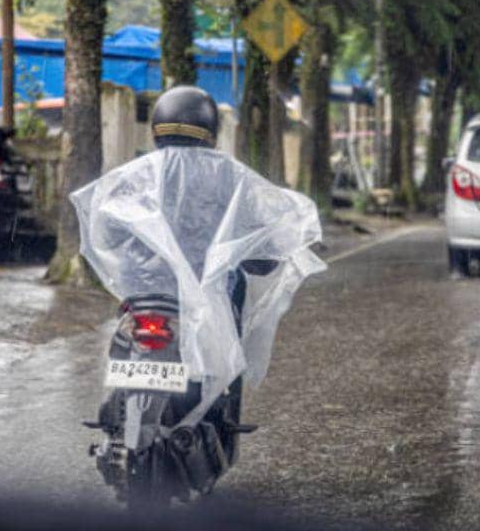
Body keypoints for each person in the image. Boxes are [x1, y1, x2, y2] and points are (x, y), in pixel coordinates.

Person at [70, 84, 325, 430]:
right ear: (209, 129)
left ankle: (117, 400)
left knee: (126, 325)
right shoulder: (232, 177)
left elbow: (106, 232)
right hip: (208, 296)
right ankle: (217, 411)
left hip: (145, 295)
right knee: (230, 321)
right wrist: (263, 253)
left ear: (157, 126)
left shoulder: (135, 175)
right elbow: (264, 230)